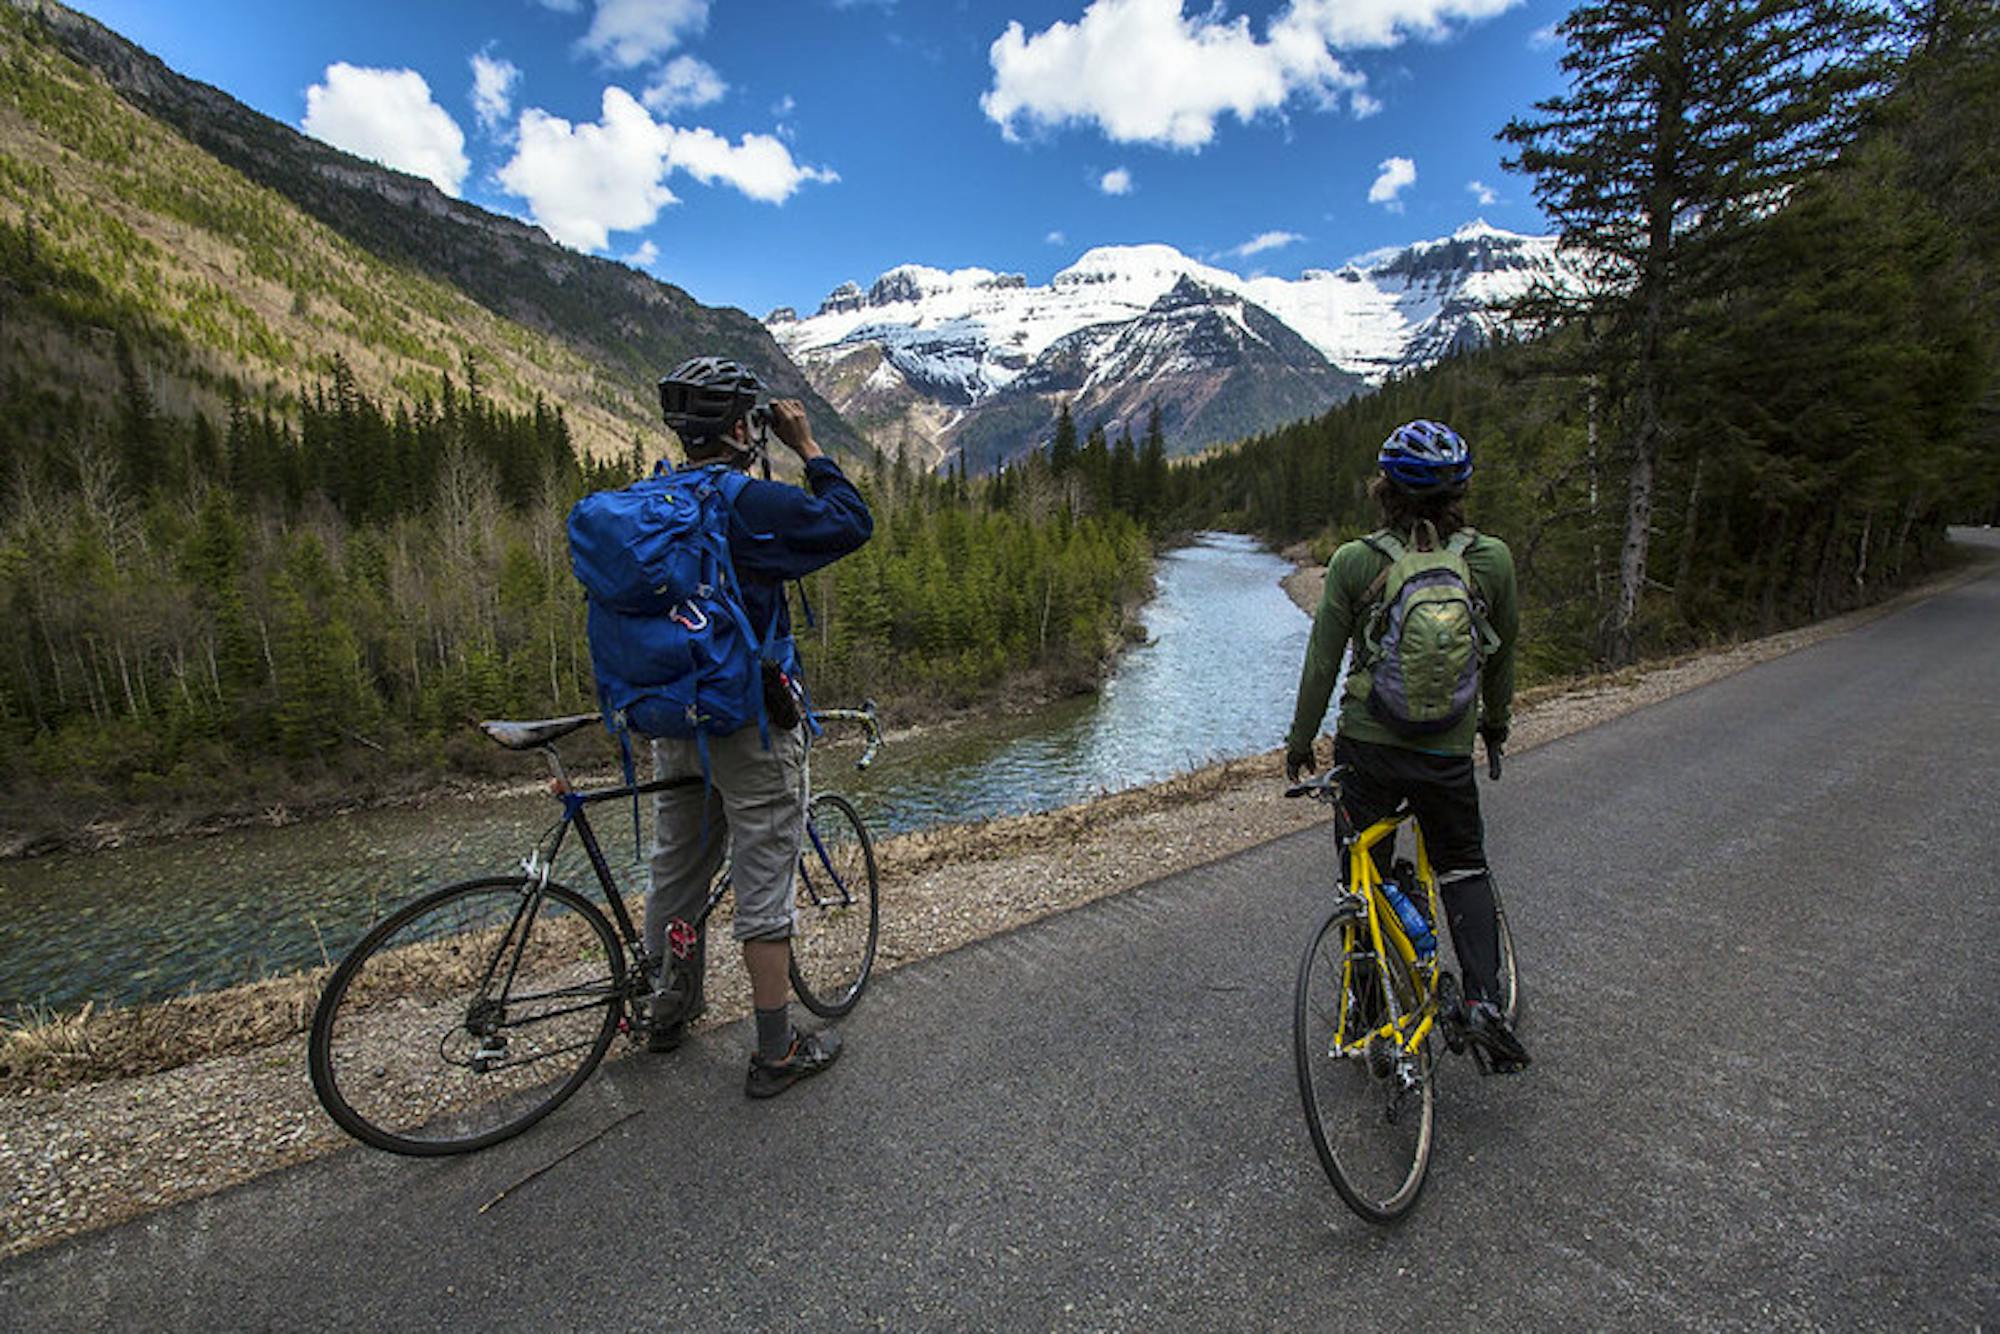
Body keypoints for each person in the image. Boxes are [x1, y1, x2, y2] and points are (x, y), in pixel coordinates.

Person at [642, 356, 873, 1098]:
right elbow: (850, 521)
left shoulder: (651, 499)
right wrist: (808, 446)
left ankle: (665, 1012)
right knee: (764, 878)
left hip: (674, 717)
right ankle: (775, 1052)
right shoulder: (748, 503)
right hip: (751, 719)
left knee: (675, 870)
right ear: (746, 427)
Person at [1284, 419, 1529, 1072]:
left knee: (1359, 880)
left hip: (1368, 749)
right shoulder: (1491, 561)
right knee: (1462, 868)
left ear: (1383, 490)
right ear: (1460, 494)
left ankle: (1366, 1015)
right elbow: (1500, 660)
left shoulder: (1356, 561)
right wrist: (1494, 725)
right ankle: (1482, 1004)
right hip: (1446, 752)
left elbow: (1321, 665)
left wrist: (1300, 742)